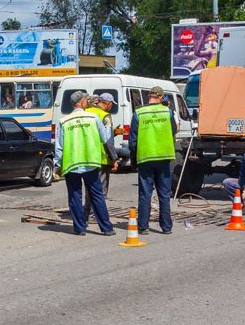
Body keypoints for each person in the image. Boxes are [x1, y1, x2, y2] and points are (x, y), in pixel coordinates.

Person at [55, 91, 118, 236]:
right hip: (90, 163)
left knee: (75, 196)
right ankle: (106, 228)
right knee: (97, 195)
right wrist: (109, 128)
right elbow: (104, 138)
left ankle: (79, 228)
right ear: (82, 103)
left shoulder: (64, 121)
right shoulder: (93, 117)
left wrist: (57, 166)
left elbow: (59, 148)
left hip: (72, 164)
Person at [128, 86, 177, 234]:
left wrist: (133, 160)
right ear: (161, 97)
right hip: (164, 157)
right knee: (164, 194)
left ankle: (143, 227)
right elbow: (173, 130)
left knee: (145, 194)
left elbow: (133, 140)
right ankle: (166, 227)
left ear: (149, 96)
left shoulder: (139, 112)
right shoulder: (167, 112)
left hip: (146, 157)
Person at [83, 93, 115, 219]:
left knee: (88, 187)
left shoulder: (84, 113)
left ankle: (86, 212)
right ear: (107, 103)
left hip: (86, 156)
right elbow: (107, 140)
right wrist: (114, 158)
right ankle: (96, 214)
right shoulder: (104, 116)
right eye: (111, 104)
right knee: (100, 189)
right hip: (101, 157)